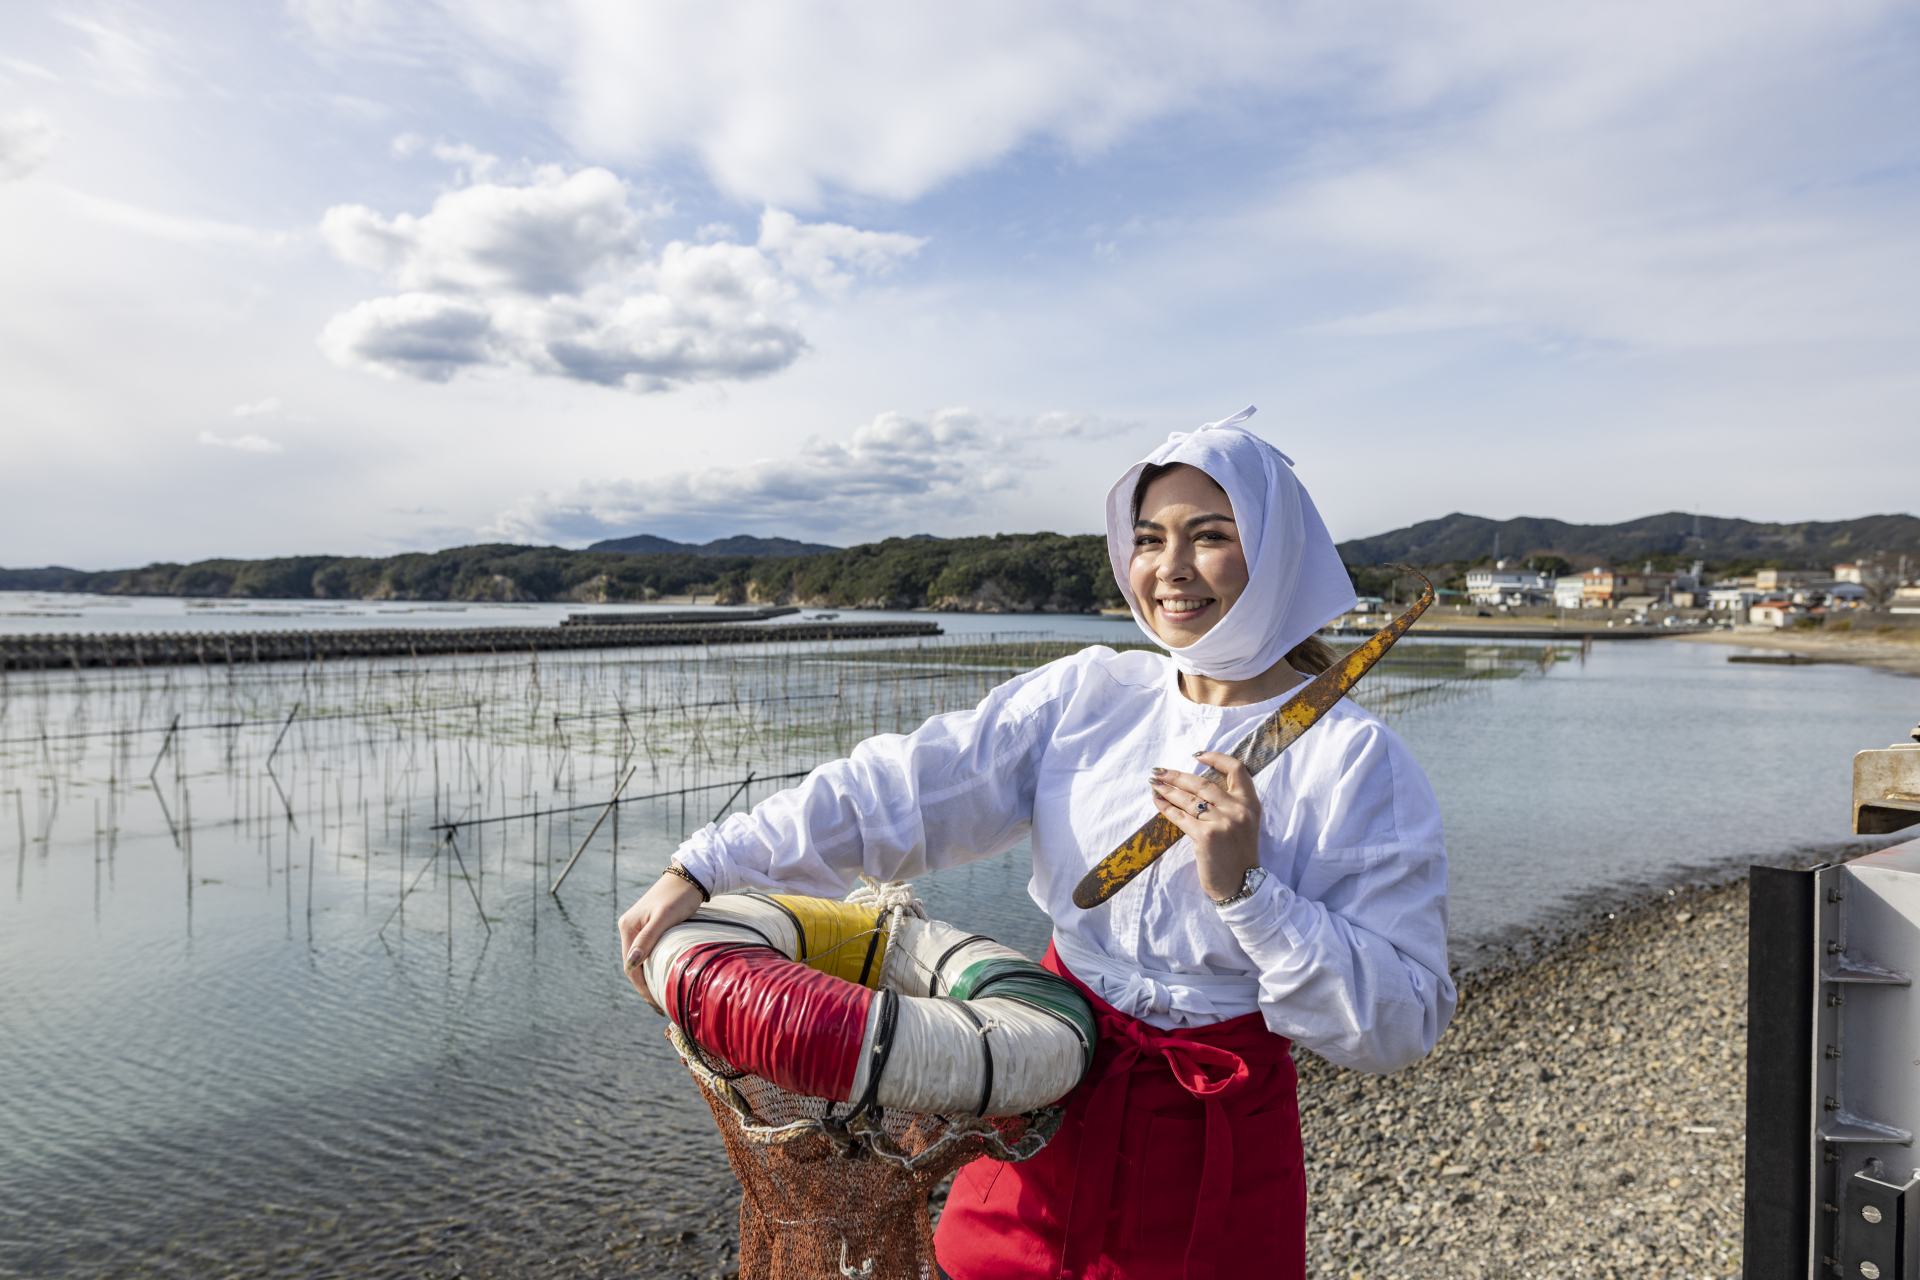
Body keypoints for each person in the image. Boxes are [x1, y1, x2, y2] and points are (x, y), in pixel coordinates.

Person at [618, 406, 1456, 1279]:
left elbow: (1401, 1022)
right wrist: (708, 863)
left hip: (1217, 1135)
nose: (1169, 570)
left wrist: (1249, 893)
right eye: (1148, 538)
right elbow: (907, 786)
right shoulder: (1089, 696)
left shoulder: (1354, 757)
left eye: (1209, 536)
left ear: (1276, 551)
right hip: (1043, 1082)